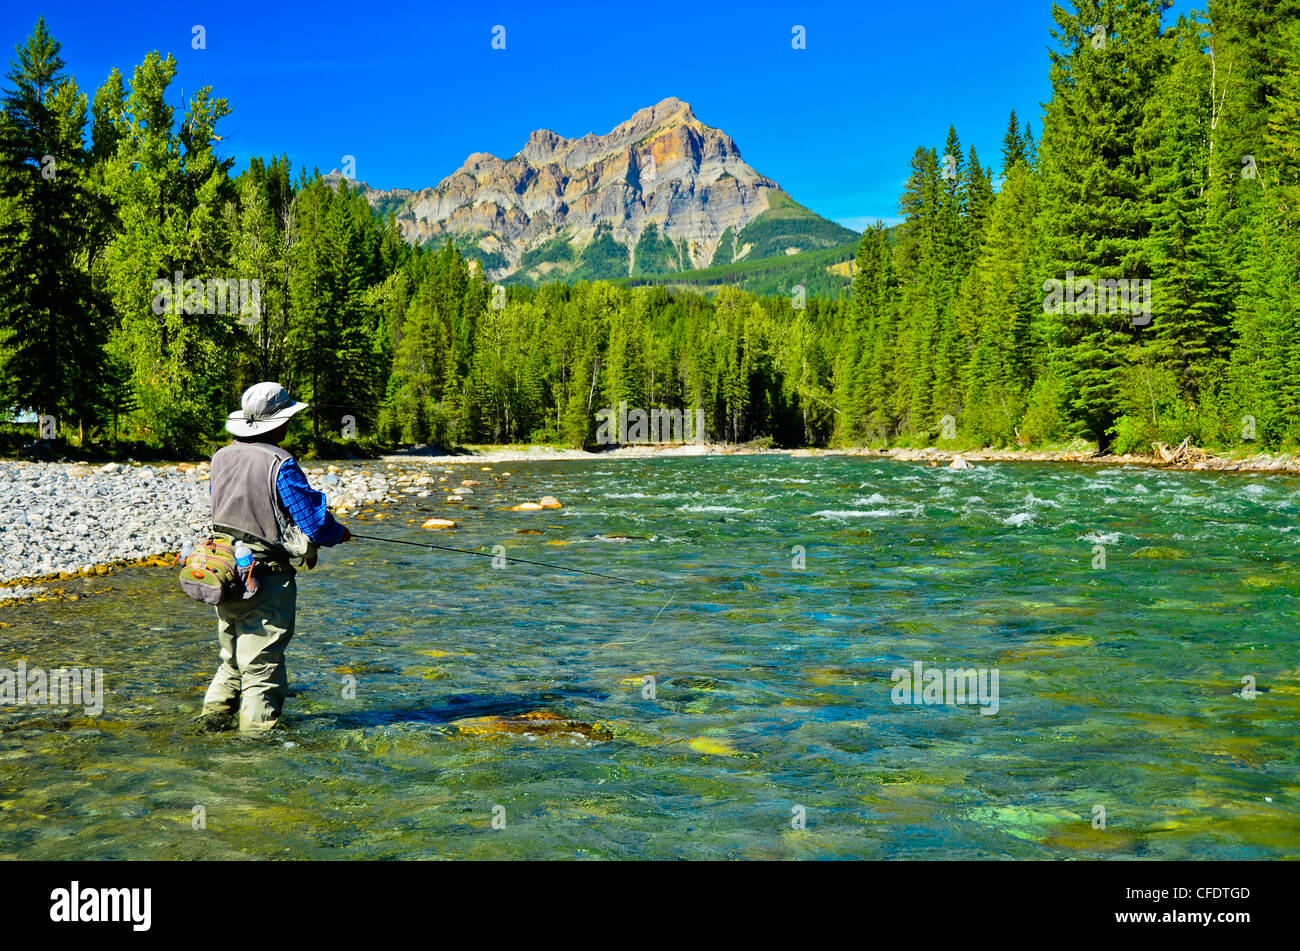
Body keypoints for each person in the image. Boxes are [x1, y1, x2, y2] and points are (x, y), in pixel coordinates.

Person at [198, 382, 350, 732]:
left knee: (232, 663)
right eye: (287, 418)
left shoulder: (221, 457)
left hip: (223, 573)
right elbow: (313, 523)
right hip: (265, 579)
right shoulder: (281, 464)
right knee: (262, 669)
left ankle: (209, 728)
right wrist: (336, 533)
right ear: (276, 423)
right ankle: (256, 755)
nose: (289, 425)